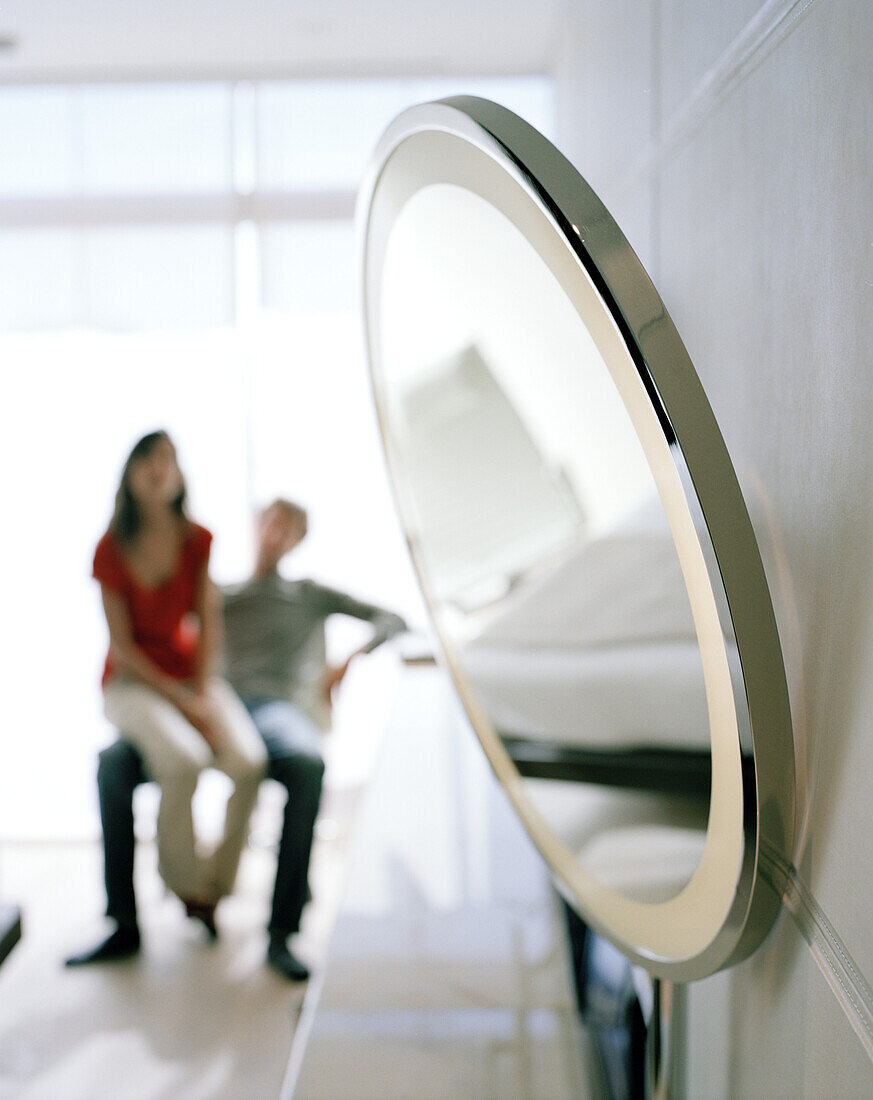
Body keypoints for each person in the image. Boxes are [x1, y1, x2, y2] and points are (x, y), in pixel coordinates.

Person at [67, 497, 407, 981]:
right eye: (270, 521)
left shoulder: (309, 593)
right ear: (256, 525)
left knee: (307, 764)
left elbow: (393, 619)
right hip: (212, 704)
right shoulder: (219, 593)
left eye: (287, 528)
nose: (275, 532)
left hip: (277, 710)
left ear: (297, 541)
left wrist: (347, 661)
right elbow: (172, 634)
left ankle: (282, 933)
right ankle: (124, 924)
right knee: (113, 764)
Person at [66, 430, 267, 963]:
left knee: (249, 762)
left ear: (179, 476)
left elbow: (209, 621)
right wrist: (185, 705)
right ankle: (184, 886)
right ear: (130, 475)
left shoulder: (197, 538)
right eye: (147, 460)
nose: (158, 469)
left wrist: (201, 693)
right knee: (184, 760)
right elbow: (124, 647)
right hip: (133, 685)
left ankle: (215, 887)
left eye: (168, 460)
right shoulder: (110, 549)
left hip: (191, 680)